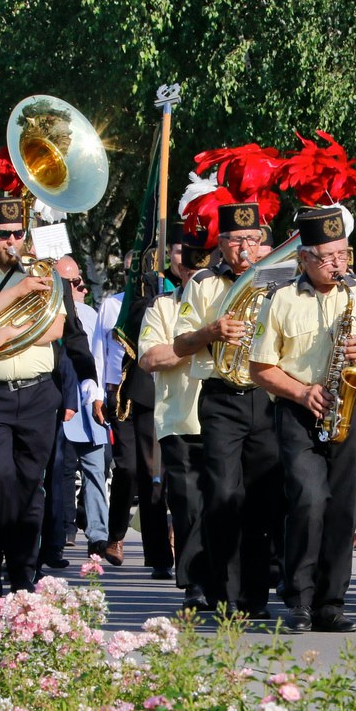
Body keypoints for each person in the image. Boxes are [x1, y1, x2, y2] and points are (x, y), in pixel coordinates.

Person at [248, 206, 356, 633]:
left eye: (344, 254)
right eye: (327, 256)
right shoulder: (280, 299)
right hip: (299, 411)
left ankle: (332, 602)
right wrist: (301, 391)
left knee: (344, 509)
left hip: (355, 408)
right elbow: (260, 367)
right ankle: (298, 598)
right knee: (309, 501)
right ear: (303, 259)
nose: (338, 264)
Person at [0, 195, 81, 600]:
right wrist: (16, 292)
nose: (12, 241)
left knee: (29, 483)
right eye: (3, 234)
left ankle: (24, 570)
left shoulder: (44, 270)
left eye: (18, 234)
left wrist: (6, 333)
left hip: (39, 391)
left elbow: (56, 327)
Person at [172, 201, 282, 618]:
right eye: (236, 241)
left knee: (260, 498)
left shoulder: (276, 282)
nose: (246, 249)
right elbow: (180, 344)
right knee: (221, 494)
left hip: (264, 396)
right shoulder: (203, 284)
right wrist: (211, 331)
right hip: (220, 397)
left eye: (253, 240)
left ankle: (255, 596)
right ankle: (221, 592)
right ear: (221, 244)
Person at [139, 224, 213, 610]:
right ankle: (196, 583)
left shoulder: (225, 301)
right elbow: (151, 358)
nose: (190, 267)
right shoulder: (163, 307)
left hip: (227, 419)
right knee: (189, 506)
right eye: (183, 258)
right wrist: (201, 340)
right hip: (182, 420)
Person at [100, 257, 174, 580]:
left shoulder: (175, 297)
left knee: (153, 475)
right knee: (129, 468)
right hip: (125, 393)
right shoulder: (123, 302)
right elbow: (100, 349)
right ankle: (115, 535)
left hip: (158, 392)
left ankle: (158, 554)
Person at [51, 255, 111, 565]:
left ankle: (98, 536)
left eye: (79, 283)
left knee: (95, 470)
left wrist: (99, 395)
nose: (78, 288)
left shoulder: (90, 314)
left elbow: (99, 357)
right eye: (70, 283)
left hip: (88, 401)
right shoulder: (44, 312)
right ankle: (57, 537)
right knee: (56, 472)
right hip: (56, 401)